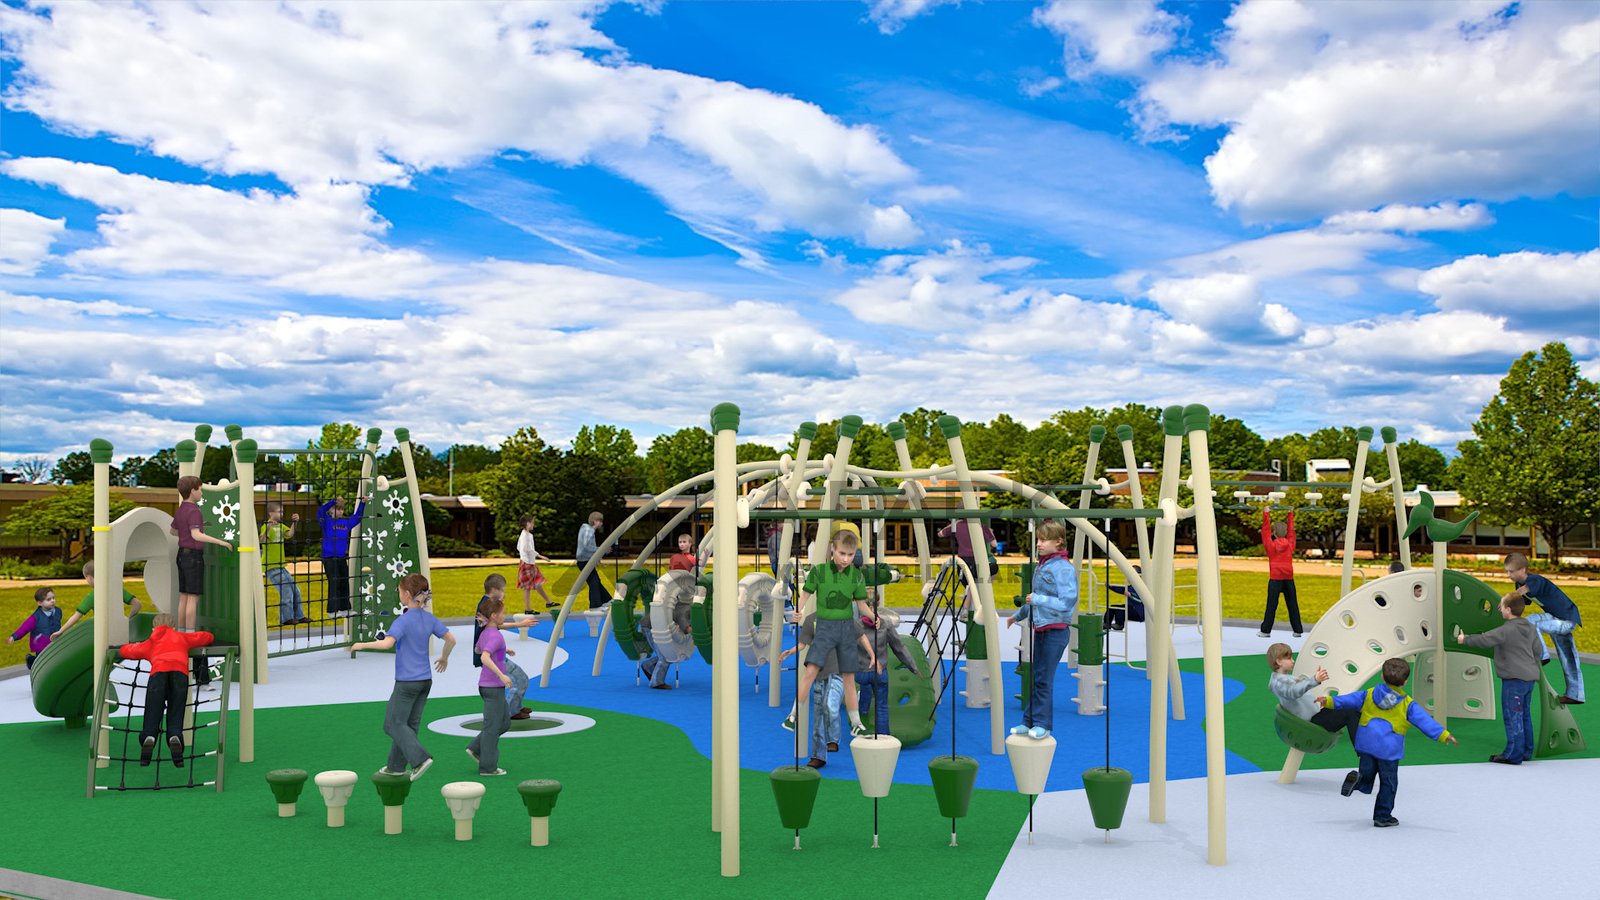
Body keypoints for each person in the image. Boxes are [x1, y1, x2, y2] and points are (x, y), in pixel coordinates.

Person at [1318, 657, 1458, 827]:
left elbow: (1350, 700)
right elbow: (1424, 721)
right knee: (1388, 783)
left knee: (1367, 775)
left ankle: (1358, 781)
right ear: (1405, 681)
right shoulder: (1407, 704)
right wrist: (1443, 735)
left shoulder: (1369, 694)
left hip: (1367, 743)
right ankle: (1382, 816)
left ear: (1382, 676)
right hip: (1388, 750)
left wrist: (1329, 701)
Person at [352, 573, 454, 781]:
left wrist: (361, 645)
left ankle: (420, 759)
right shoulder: (429, 619)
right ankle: (396, 766)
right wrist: (444, 657)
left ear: (407, 594)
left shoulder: (403, 621)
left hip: (407, 682)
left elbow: (386, 644)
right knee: (408, 725)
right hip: (425, 681)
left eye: (399, 591)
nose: (398, 594)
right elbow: (451, 639)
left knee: (392, 724)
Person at [783, 529, 874, 738]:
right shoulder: (820, 572)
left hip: (846, 628)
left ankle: (856, 723)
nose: (845, 559)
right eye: (842, 553)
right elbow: (805, 595)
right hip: (824, 627)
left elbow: (861, 605)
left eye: (850, 555)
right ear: (833, 549)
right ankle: (793, 715)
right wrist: (798, 611)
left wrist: (873, 615)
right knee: (810, 671)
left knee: (849, 677)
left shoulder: (856, 576)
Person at [1007, 519, 1077, 739]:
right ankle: (1028, 722)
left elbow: (1067, 602)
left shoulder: (1063, 568)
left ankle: (1042, 724)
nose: (1039, 544)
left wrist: (1038, 599)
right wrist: (1017, 616)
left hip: (1056, 631)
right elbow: (1034, 601)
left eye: (1044, 540)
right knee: (1036, 678)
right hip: (1041, 629)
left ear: (1058, 542)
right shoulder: (1044, 565)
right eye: (1038, 539)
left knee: (1043, 679)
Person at [1456, 592, 1544, 764]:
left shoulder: (1506, 630)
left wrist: (1464, 639)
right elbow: (1538, 651)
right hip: (1529, 679)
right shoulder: (1530, 627)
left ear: (1508, 610)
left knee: (1513, 716)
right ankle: (1526, 751)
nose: (1499, 609)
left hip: (1514, 681)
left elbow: (1485, 640)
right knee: (1524, 715)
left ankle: (1513, 754)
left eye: (1501, 607)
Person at [117, 613, 213, 767]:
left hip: (158, 676)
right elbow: (206, 637)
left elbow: (127, 651)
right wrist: (206, 636)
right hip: (180, 675)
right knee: (176, 710)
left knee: (153, 709)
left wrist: (125, 646)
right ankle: (175, 736)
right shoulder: (181, 637)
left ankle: (149, 736)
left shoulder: (150, 642)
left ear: (153, 629)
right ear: (173, 627)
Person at [171, 475, 235, 692]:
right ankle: (189, 633)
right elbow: (196, 535)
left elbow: (173, 531)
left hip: (181, 555)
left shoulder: (181, 509)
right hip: (193, 557)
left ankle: (182, 630)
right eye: (199, 489)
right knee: (193, 597)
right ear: (192, 491)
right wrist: (221, 542)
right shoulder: (194, 510)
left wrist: (188, 532)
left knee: (183, 595)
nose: (201, 493)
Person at [777, 612, 857, 767]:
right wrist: (790, 652)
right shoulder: (811, 619)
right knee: (818, 715)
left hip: (838, 671)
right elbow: (803, 644)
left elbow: (858, 637)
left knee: (830, 705)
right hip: (819, 672)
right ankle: (818, 755)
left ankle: (833, 739)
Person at [1505, 552, 1583, 705]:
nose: (1508, 575)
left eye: (1511, 571)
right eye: (1507, 571)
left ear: (1522, 570)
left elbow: (1524, 591)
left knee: (1530, 622)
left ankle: (1542, 656)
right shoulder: (1519, 585)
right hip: (1557, 618)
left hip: (1565, 618)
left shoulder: (1535, 580)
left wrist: (1507, 599)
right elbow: (1522, 602)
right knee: (1568, 657)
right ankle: (1575, 695)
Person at [1267, 642, 1358, 752]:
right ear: (1279, 661)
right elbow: (1293, 692)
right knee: (1350, 711)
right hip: (1310, 724)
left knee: (1348, 705)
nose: (1293, 661)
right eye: (1289, 658)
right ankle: (1362, 748)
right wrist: (1315, 680)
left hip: (1315, 715)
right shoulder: (1278, 683)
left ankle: (1365, 742)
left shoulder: (1285, 679)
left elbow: (1299, 693)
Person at [474, 573, 532, 719]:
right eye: (502, 590)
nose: (504, 594)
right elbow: (494, 629)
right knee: (520, 679)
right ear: (495, 590)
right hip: (493, 656)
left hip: (495, 652)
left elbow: (487, 633)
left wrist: (503, 649)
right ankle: (510, 711)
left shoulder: (485, 605)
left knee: (519, 679)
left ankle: (515, 707)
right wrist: (519, 624)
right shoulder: (488, 607)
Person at [857, 608, 922, 736]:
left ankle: (863, 711)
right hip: (879, 672)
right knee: (881, 705)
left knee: (865, 686)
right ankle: (884, 736)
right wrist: (913, 667)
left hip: (862, 671)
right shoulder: (885, 624)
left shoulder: (856, 625)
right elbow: (899, 648)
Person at [467, 595, 512, 777]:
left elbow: (478, 649)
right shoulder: (495, 636)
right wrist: (502, 675)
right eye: (502, 613)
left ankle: (476, 747)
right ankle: (488, 767)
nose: (504, 616)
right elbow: (484, 657)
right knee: (492, 728)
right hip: (493, 686)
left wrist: (503, 650)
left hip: (490, 687)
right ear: (493, 615)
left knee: (504, 723)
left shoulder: (486, 633)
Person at [60, 560, 142, 633]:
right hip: (121, 630)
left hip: (103, 633)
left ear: (89, 578)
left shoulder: (92, 596)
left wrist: (60, 631)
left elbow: (76, 617)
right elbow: (137, 604)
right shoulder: (117, 590)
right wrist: (128, 621)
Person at [317, 495, 365, 616]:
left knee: (344, 582)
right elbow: (320, 511)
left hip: (341, 557)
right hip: (329, 557)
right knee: (334, 582)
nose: (340, 511)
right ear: (331, 510)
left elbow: (358, 517)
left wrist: (362, 503)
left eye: (341, 509)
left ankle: (345, 609)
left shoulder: (345, 522)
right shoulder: (326, 521)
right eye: (337, 509)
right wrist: (331, 502)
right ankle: (332, 610)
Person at [1258, 509, 1301, 637]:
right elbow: (1292, 532)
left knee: (1271, 606)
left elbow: (1265, 532)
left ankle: (1265, 631)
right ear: (1285, 533)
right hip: (1289, 579)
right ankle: (1297, 630)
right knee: (1293, 605)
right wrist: (1290, 514)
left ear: (1274, 533)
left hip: (1275, 579)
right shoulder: (1290, 544)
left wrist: (1266, 514)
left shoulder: (1271, 546)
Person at [261, 502, 305, 626]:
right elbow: (261, 540)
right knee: (286, 591)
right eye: (279, 511)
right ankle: (286, 619)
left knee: (296, 590)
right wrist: (268, 527)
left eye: (282, 512)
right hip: (271, 566)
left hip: (281, 565)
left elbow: (289, 534)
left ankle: (299, 616)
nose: (282, 514)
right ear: (271, 513)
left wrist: (295, 522)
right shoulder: (266, 526)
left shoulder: (281, 526)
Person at [638, 599, 693, 691]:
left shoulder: (682, 605)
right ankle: (656, 683)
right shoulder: (685, 609)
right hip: (652, 627)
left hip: (651, 624)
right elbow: (687, 628)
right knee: (666, 656)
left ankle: (648, 666)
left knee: (669, 654)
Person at [8, 588, 62, 668]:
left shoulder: (58, 611)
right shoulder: (36, 617)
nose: (52, 601)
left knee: (54, 658)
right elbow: (25, 627)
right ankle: (31, 660)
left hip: (55, 641)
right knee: (41, 661)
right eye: (48, 599)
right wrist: (14, 636)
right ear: (40, 603)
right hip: (41, 643)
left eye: (53, 598)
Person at [516, 515, 554, 613]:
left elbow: (518, 547)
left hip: (530, 562)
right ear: (527, 523)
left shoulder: (527, 535)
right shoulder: (525, 536)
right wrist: (540, 556)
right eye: (532, 522)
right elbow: (526, 549)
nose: (533, 524)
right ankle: (528, 609)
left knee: (537, 582)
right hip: (527, 563)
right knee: (527, 587)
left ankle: (548, 602)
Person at [575, 511, 609, 610]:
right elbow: (586, 546)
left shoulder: (587, 529)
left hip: (584, 560)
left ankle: (605, 600)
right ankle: (595, 605)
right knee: (594, 582)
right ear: (594, 521)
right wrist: (601, 549)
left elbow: (588, 547)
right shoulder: (589, 530)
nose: (601, 523)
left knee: (595, 581)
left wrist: (597, 556)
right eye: (600, 521)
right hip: (584, 561)